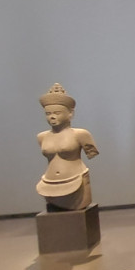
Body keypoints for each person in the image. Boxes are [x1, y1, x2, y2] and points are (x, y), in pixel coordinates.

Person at [36, 83, 98, 211]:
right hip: (49, 183)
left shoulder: (80, 135)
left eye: (57, 113)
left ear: (70, 113)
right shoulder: (42, 137)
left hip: (77, 181)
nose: (52, 116)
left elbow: (92, 153)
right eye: (48, 113)